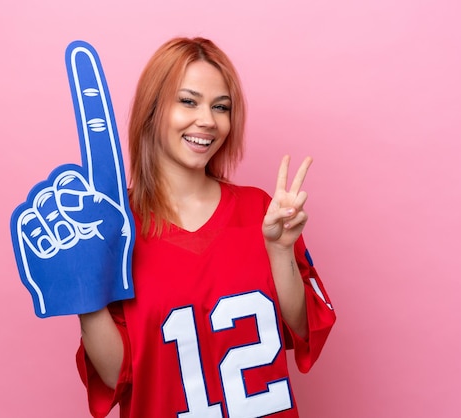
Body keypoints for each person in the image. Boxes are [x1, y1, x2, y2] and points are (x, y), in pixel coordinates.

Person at [76, 37, 336, 418]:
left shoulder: (261, 211)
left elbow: (303, 329)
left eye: (221, 107)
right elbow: (119, 374)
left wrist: (280, 252)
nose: (208, 121)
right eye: (188, 101)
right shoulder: (115, 227)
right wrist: (80, 292)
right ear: (153, 109)